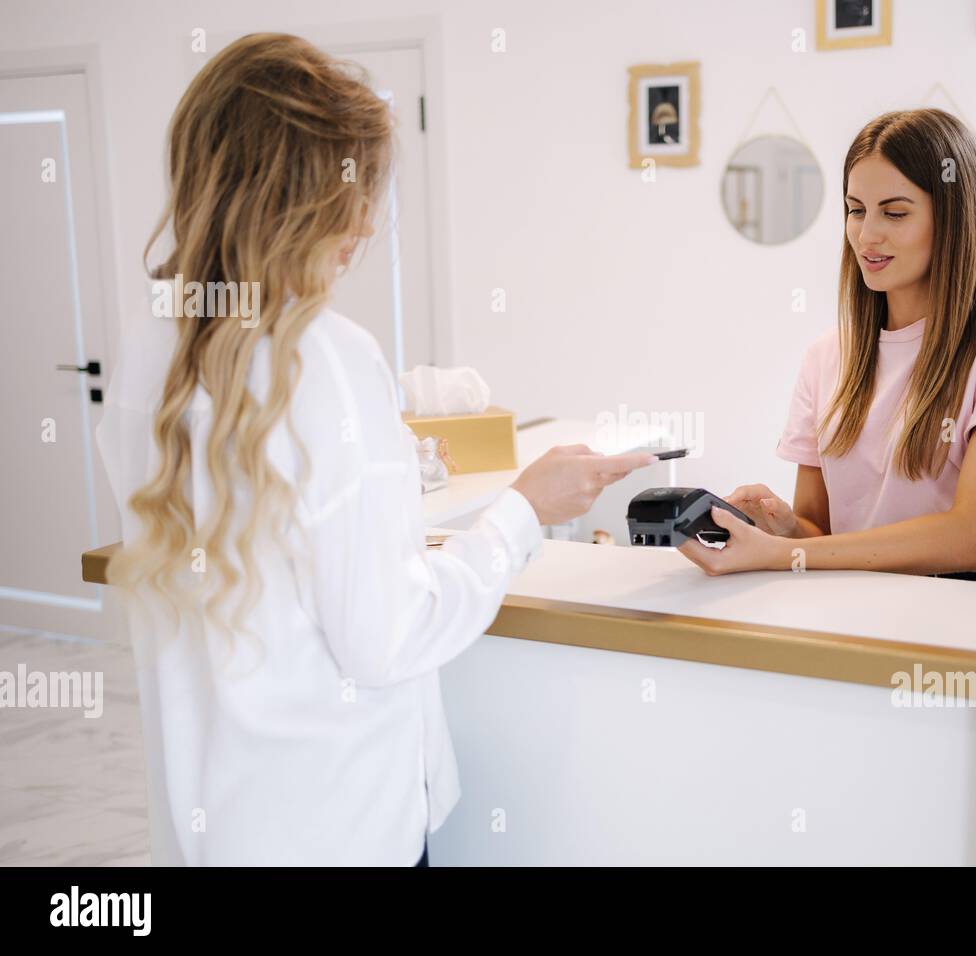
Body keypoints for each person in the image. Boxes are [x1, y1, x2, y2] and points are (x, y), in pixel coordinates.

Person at [95, 33, 654, 866]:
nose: (362, 223)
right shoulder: (323, 355)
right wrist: (524, 512)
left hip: (211, 821)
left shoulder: (146, 350)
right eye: (349, 190)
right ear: (293, 197)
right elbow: (387, 638)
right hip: (337, 824)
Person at [678, 109, 976, 586]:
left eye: (895, 212)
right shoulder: (827, 356)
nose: (866, 235)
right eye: (856, 209)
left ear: (953, 219)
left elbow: (972, 537)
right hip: (865, 598)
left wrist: (784, 553)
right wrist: (781, 528)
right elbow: (820, 533)